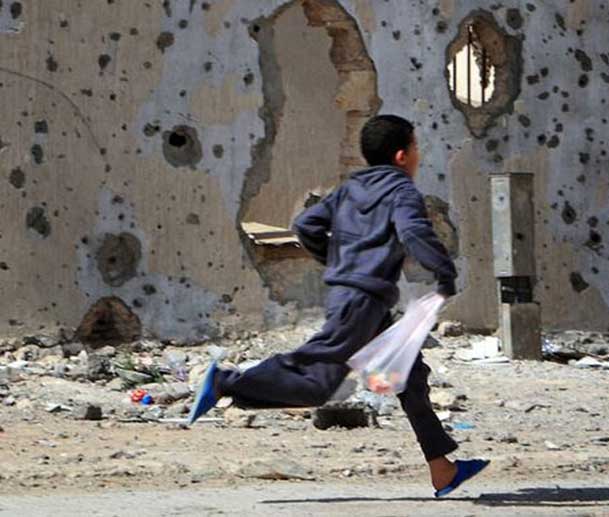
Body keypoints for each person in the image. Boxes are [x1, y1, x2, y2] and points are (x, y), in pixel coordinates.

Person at [187, 114, 489, 497]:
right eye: (416, 147)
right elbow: (413, 231)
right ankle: (225, 381)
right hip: (362, 301)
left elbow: (306, 225)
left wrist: (339, 261)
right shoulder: (402, 191)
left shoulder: (350, 189)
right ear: (401, 156)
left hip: (362, 300)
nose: (419, 154)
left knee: (410, 378)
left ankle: (442, 470)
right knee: (316, 384)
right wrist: (444, 272)